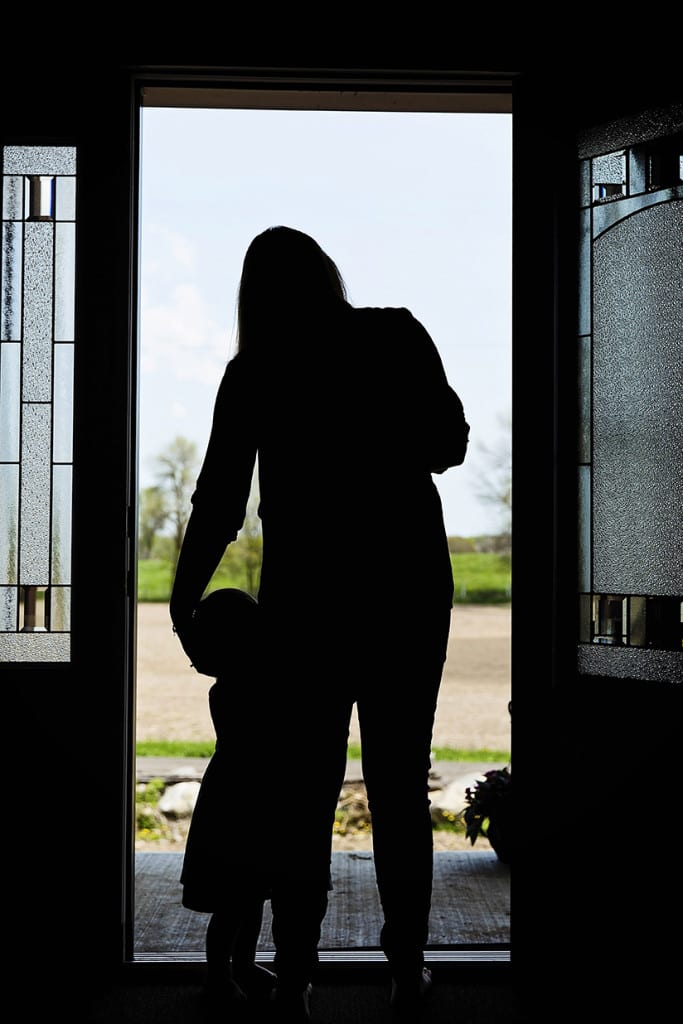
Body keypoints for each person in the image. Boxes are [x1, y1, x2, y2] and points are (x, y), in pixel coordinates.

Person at [170, 225, 470, 1022]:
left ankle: (297, 974)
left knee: (303, 789)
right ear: (326, 275)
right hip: (406, 589)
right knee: (400, 783)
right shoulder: (397, 333)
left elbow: (218, 500)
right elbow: (451, 445)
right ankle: (405, 968)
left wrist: (182, 595)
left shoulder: (254, 369)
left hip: (304, 605)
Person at [174, 587, 276, 1019]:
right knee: (239, 898)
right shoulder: (246, 685)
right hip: (245, 791)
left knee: (247, 896)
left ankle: (240, 965)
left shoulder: (229, 683)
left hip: (232, 789)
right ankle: (219, 973)